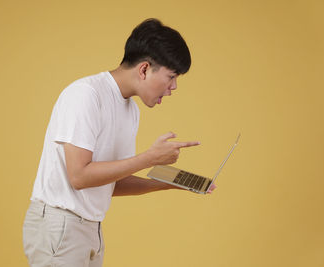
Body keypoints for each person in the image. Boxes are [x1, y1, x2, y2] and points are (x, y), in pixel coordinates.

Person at [22, 18, 216, 267]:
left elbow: (113, 183)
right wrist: (149, 158)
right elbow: (79, 176)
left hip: (90, 229)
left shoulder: (130, 111)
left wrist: (168, 184)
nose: (174, 87)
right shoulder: (85, 95)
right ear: (144, 69)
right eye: (171, 76)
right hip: (61, 225)